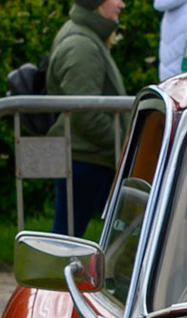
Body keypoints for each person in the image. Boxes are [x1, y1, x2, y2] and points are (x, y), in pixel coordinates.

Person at [46, 0, 128, 236]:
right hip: (86, 160)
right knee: (66, 240)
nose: (121, 4)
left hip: (90, 158)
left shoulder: (87, 37)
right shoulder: (81, 45)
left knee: (120, 237)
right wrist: (123, 144)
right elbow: (85, 114)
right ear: (98, 4)